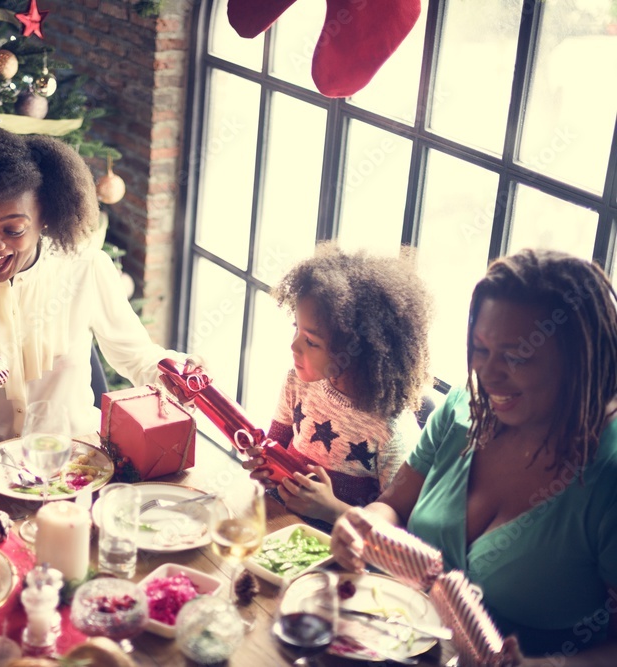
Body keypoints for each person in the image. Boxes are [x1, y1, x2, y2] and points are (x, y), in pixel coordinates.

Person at [331, 249, 617, 663]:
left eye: (517, 355)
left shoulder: (607, 478)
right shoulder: (462, 409)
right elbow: (393, 505)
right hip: (392, 643)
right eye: (480, 348)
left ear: (580, 361)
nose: (488, 372)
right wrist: (364, 526)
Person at [0, 127, 186, 449]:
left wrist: (175, 374)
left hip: (76, 454)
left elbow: (137, 357)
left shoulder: (87, 268)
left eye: (13, 229)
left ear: (47, 219)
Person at [245, 244, 432, 530]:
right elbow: (276, 446)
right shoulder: (297, 383)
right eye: (296, 328)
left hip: (338, 550)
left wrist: (331, 509)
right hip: (278, 524)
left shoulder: (390, 430)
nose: (293, 345)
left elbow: (396, 529)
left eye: (312, 341)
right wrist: (265, 467)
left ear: (358, 352)